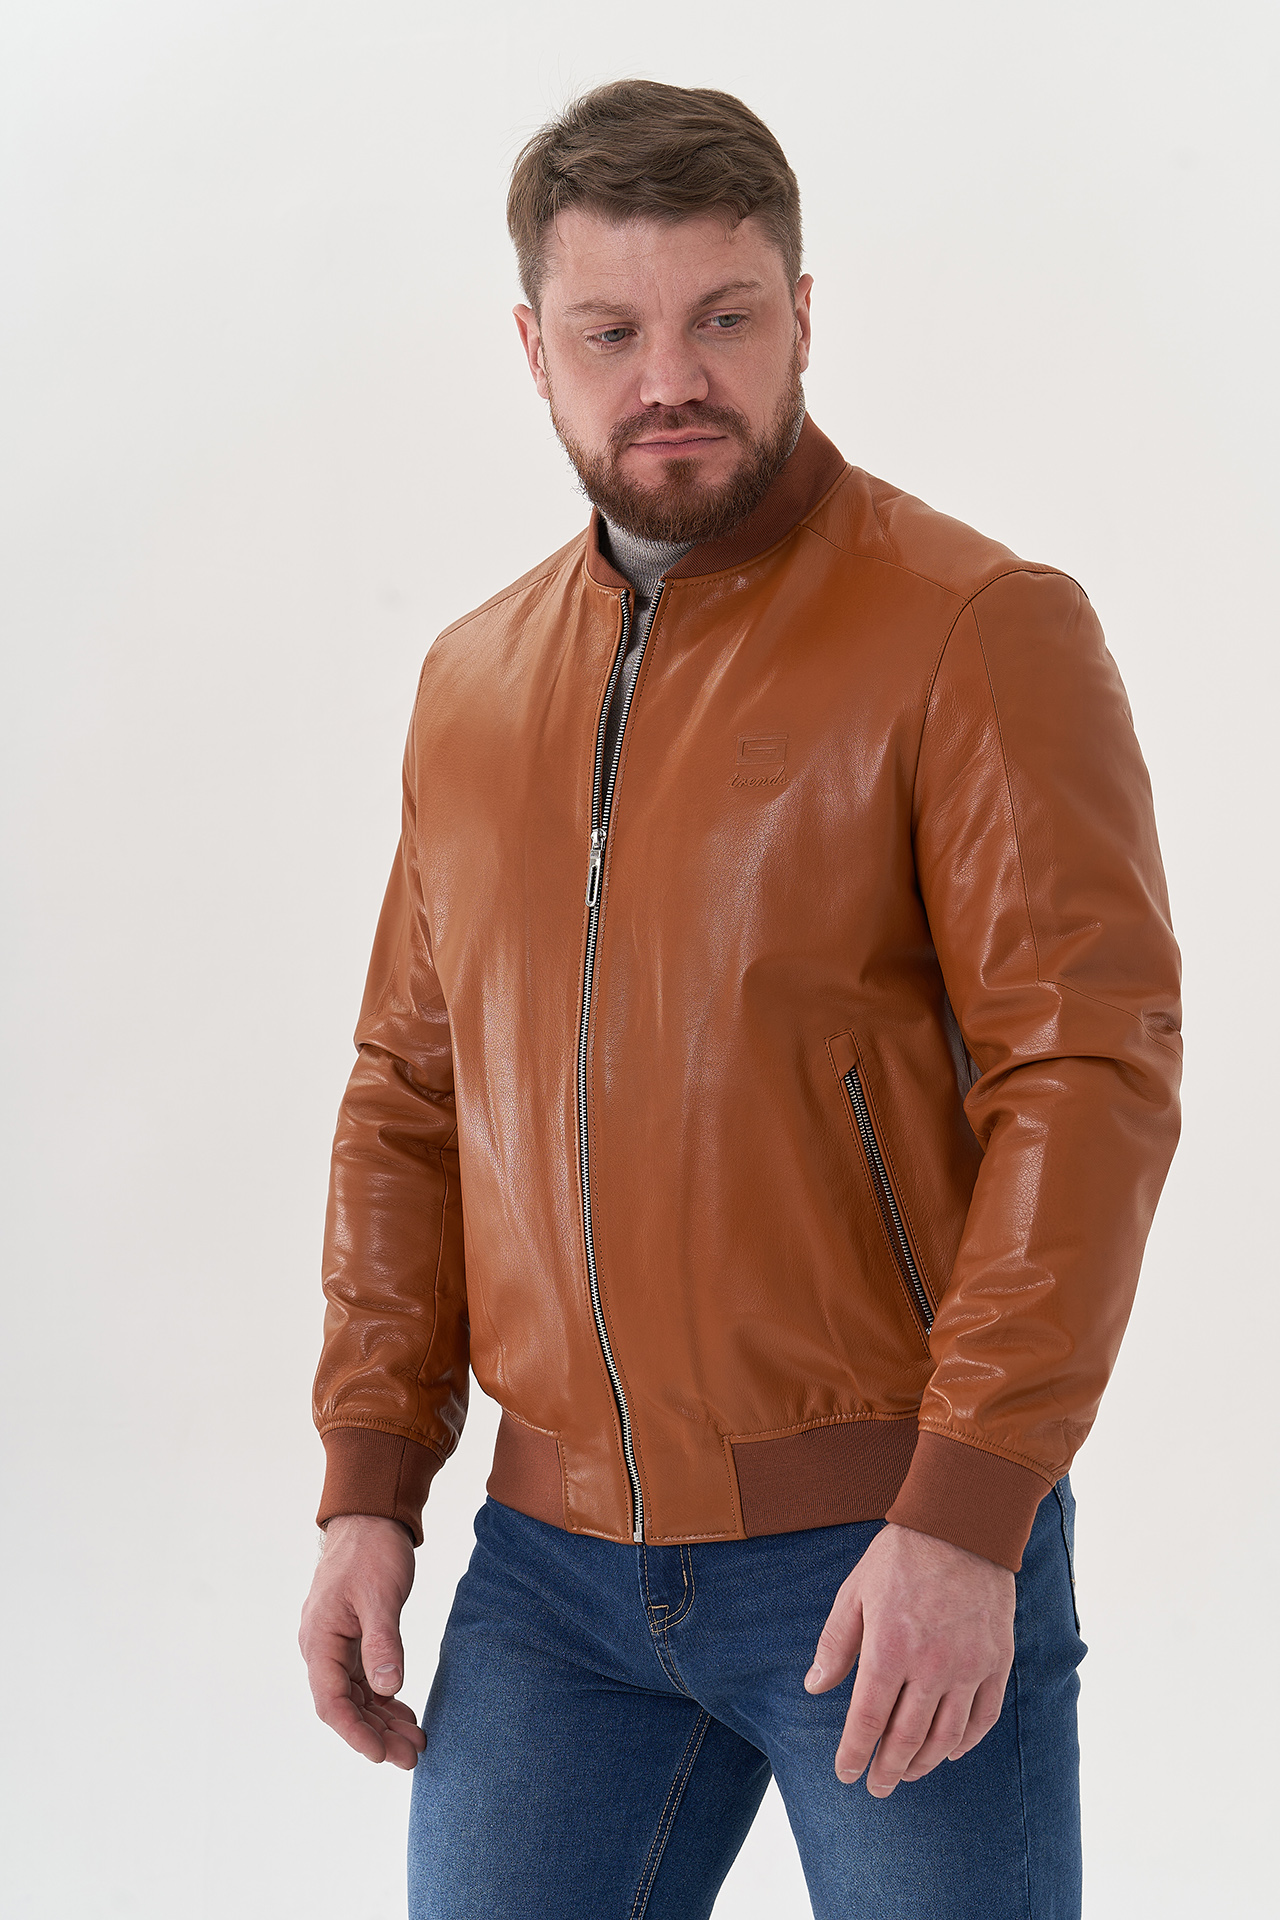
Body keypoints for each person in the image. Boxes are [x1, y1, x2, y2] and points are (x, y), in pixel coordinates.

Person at [298, 78, 1181, 1920]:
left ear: (803, 313)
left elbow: (1086, 1073)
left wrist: (970, 1506)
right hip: (550, 1576)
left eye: (724, 317)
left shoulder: (974, 627)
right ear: (533, 350)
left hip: (885, 1542)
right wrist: (369, 1482)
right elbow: (409, 1093)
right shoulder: (472, 684)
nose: (671, 379)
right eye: (611, 334)